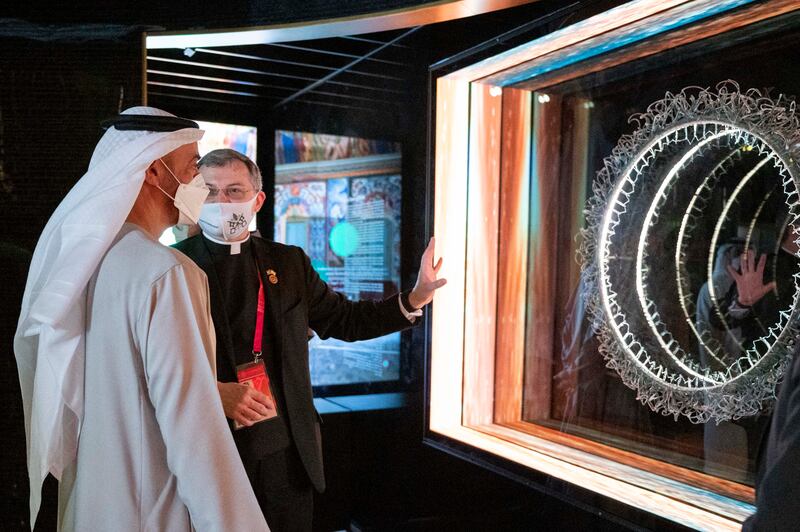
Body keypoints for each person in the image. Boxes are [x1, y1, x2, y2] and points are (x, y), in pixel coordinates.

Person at [14, 108, 268, 531]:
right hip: (151, 509)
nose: (200, 184)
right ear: (154, 171)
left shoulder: (87, 264)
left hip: (95, 504)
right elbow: (193, 430)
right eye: (191, 167)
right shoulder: (165, 272)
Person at [173, 148, 446, 530]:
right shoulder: (174, 265)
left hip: (287, 454)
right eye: (210, 191)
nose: (221, 202)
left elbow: (345, 319)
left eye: (234, 191)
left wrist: (414, 299)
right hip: (213, 451)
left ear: (257, 200)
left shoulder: (288, 262)